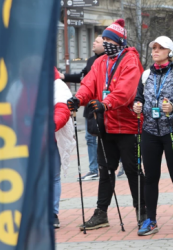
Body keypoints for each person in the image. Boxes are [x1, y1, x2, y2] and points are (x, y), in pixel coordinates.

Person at [66, 19, 147, 230]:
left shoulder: (131, 61)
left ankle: (143, 211)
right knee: (105, 171)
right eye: (104, 39)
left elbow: (126, 91)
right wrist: (79, 98)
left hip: (127, 125)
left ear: (119, 42)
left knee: (132, 170)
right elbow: (89, 84)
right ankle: (101, 213)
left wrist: (106, 103)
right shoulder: (101, 62)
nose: (106, 42)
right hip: (106, 125)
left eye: (109, 39)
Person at [133, 36, 173, 236]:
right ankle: (150, 220)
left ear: (169, 51)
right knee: (150, 177)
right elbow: (138, 97)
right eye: (154, 48)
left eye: (160, 48)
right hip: (149, 131)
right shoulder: (145, 75)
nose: (155, 51)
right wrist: (137, 106)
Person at [60, 36, 105, 181]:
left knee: (105, 139)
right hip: (89, 106)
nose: (93, 43)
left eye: (97, 42)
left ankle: (115, 164)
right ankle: (93, 169)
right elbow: (82, 78)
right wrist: (64, 76)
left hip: (103, 106)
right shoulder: (91, 60)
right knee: (89, 138)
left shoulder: (108, 61)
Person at [53, 67, 76, 228]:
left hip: (50, 139)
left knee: (53, 176)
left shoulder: (58, 86)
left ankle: (52, 213)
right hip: (23, 140)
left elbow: (63, 109)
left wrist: (50, 124)